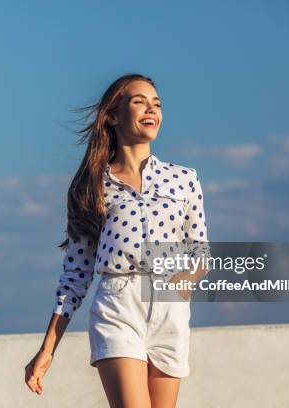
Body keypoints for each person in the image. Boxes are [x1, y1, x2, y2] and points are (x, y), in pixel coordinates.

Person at [24, 73, 211, 407]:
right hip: (118, 304)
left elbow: (200, 253)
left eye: (156, 104)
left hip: (170, 305)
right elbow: (76, 274)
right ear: (112, 115)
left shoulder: (185, 179)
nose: (151, 109)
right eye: (139, 101)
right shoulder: (91, 185)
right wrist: (46, 350)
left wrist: (183, 283)